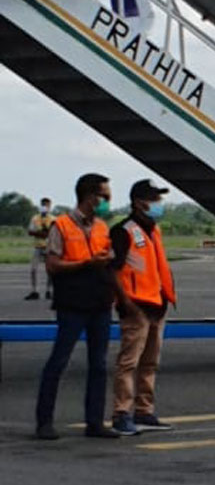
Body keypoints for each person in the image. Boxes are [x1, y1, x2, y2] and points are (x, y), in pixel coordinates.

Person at [35, 174, 120, 440]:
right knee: (59, 361)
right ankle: (44, 422)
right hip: (72, 303)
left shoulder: (102, 227)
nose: (107, 201)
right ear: (90, 197)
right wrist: (85, 264)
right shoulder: (61, 225)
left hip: (99, 302)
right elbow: (52, 265)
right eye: (104, 196)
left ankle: (95, 422)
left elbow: (108, 260)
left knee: (99, 365)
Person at [109, 180, 178, 435]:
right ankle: (121, 413)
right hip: (136, 306)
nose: (159, 204)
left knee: (150, 363)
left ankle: (144, 410)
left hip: (157, 305)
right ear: (139, 203)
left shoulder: (154, 230)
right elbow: (113, 270)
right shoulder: (123, 231)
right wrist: (126, 302)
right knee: (128, 363)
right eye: (154, 199)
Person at [25, 197, 56, 300]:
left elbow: (54, 233)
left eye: (47, 205)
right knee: (33, 269)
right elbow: (30, 231)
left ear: (50, 207)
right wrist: (42, 233)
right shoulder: (35, 218)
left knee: (50, 270)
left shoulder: (53, 219)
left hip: (49, 247)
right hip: (38, 246)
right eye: (43, 205)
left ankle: (48, 290)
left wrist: (41, 233)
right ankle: (34, 291)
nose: (45, 207)